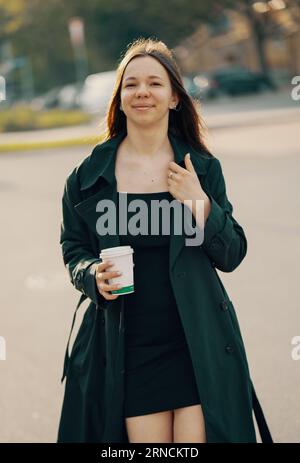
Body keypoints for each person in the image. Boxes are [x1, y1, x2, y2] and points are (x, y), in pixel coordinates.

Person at [57, 38, 273, 443]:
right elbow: (74, 248)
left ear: (174, 97)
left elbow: (232, 254)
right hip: (127, 345)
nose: (142, 92)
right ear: (119, 99)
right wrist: (91, 276)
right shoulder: (88, 176)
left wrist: (202, 205)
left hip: (197, 343)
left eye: (155, 84)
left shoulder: (201, 169)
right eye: (131, 84)